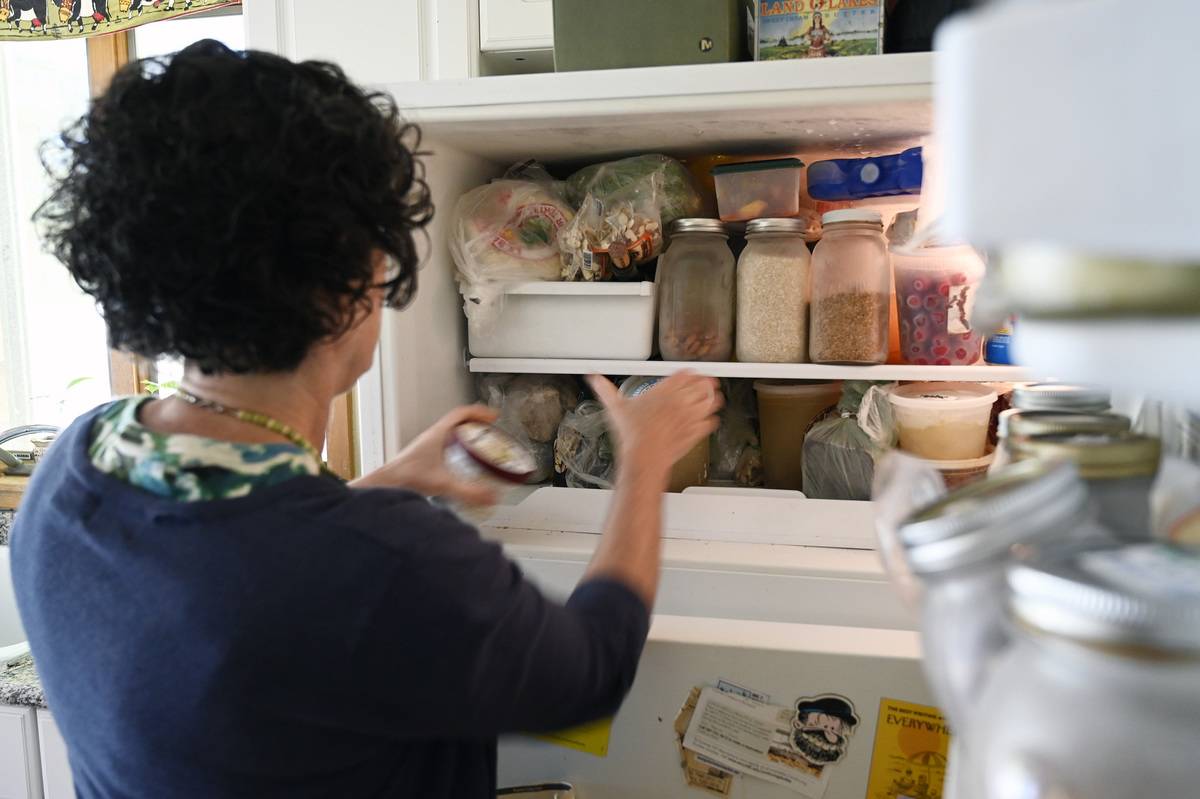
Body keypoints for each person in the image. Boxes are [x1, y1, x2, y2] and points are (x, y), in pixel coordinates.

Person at [12, 40, 721, 798]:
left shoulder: (67, 473)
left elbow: (240, 577)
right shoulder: (391, 566)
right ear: (345, 285)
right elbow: (589, 673)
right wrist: (642, 460)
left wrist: (385, 481)